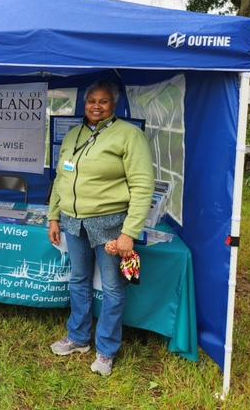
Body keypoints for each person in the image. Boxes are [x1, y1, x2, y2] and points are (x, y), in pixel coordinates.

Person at [47, 81, 154, 377]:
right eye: (91, 100)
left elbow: (143, 186)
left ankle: (106, 350)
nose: (96, 106)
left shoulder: (129, 135)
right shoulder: (73, 134)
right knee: (79, 279)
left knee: (112, 288)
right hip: (73, 221)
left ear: (114, 104)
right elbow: (61, 178)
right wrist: (54, 217)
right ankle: (79, 338)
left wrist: (129, 232)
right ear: (85, 104)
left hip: (110, 224)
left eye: (103, 101)